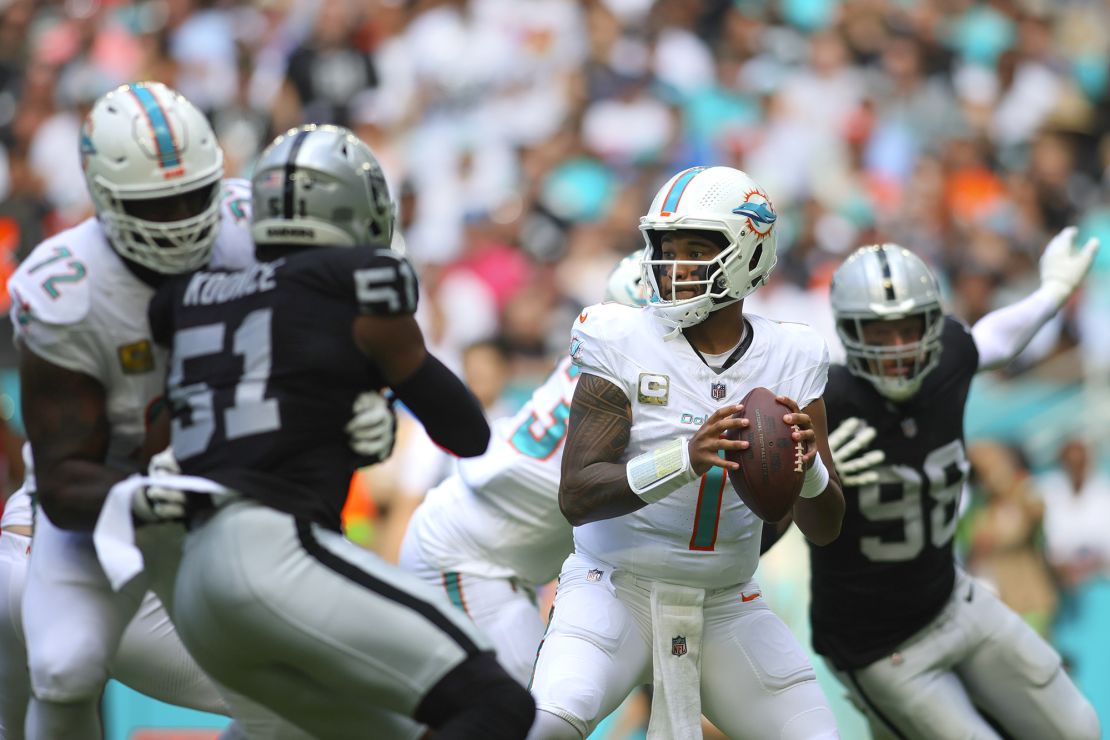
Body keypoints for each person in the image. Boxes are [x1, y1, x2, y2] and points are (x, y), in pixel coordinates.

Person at [7, 81, 373, 740]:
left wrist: (363, 400)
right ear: (103, 198)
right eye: (157, 204)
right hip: (96, 519)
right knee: (64, 666)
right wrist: (163, 492)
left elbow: (332, 341)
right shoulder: (62, 287)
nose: (180, 218)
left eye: (194, 195)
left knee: (311, 691)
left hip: (229, 508)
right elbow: (64, 483)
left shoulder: (255, 227)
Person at [149, 124, 535, 740]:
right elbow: (465, 432)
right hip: (278, 553)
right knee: (498, 706)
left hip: (193, 581)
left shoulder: (189, 294)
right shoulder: (355, 283)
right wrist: (377, 382)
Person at [528, 165, 845, 740]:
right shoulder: (619, 337)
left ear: (749, 252)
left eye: (697, 250)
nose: (674, 268)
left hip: (727, 602)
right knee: (549, 724)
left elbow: (826, 528)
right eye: (665, 249)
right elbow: (576, 496)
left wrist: (810, 467)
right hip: (613, 586)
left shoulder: (792, 355)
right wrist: (685, 457)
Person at [814, 234, 1102, 739]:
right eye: (880, 334)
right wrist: (816, 473)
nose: (900, 349)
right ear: (850, 331)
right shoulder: (825, 401)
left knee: (1077, 727)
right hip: (879, 647)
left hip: (954, 599)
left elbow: (993, 339)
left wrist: (1054, 289)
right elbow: (763, 507)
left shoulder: (945, 363)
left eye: (910, 329)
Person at [398, 251, 650, 685]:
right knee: (533, 708)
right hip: (465, 558)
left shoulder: (601, 357)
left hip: (495, 561)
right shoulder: (634, 382)